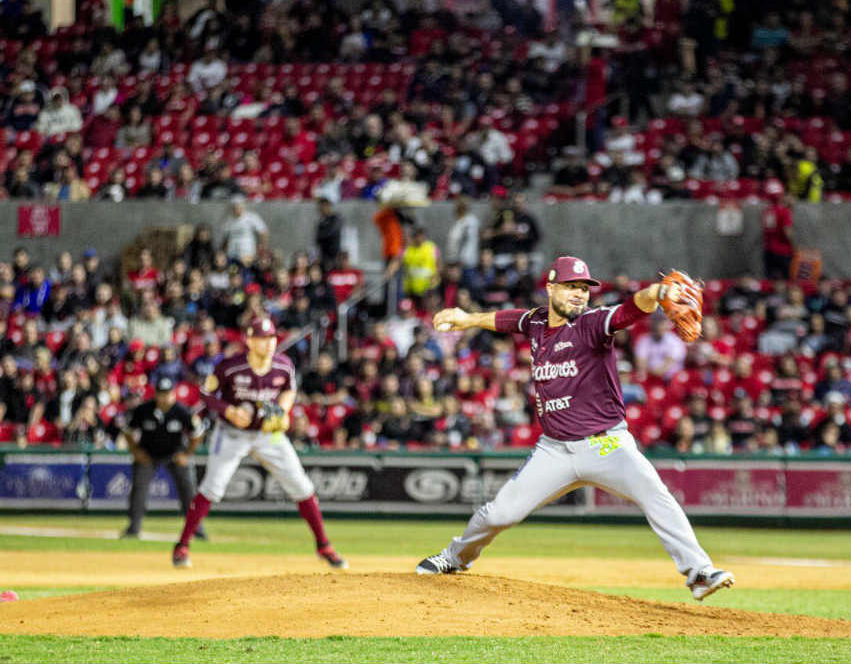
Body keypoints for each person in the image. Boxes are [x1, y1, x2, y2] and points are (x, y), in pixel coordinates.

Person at [416, 256, 735, 601]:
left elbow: (630, 310)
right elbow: (508, 319)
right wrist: (468, 319)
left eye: (584, 288)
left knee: (655, 495)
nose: (580, 294)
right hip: (554, 451)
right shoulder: (536, 322)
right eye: (571, 287)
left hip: (607, 446)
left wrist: (658, 291)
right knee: (499, 514)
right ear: (551, 288)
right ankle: (454, 557)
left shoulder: (593, 323)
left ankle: (699, 572)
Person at [171, 318, 347, 569]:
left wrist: (284, 411)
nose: (269, 343)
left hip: (267, 436)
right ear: (249, 340)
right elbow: (206, 393)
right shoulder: (231, 367)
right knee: (213, 487)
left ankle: (324, 545)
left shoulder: (284, 366)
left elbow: (288, 390)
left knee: (302, 486)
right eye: (263, 338)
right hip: (232, 433)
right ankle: (182, 546)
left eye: (272, 338)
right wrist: (229, 410)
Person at [122, 377, 206, 540]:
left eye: (168, 394)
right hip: (148, 454)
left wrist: (187, 454)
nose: (165, 397)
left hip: (174, 455)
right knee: (139, 488)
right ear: (156, 395)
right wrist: (135, 451)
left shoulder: (182, 411)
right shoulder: (143, 410)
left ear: (174, 394)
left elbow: (197, 434)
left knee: (188, 491)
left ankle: (196, 529)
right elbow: (127, 430)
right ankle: (133, 527)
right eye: (161, 394)